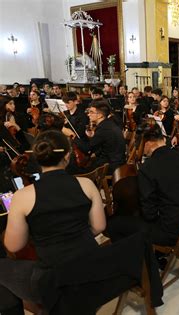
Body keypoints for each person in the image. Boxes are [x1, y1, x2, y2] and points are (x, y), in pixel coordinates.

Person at [0, 130, 106, 314]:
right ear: (67, 155)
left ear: (37, 158)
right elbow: (99, 226)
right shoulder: (86, 184)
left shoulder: (22, 197)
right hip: (91, 268)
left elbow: (14, 245)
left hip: (54, 277)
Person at [106, 122, 179, 247]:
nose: (141, 149)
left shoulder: (148, 168)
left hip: (171, 233)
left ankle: (142, 262)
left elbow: (149, 214)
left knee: (115, 224)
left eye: (141, 145)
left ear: (148, 144)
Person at [71, 100, 126, 174]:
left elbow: (87, 149)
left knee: (73, 171)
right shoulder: (108, 124)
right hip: (116, 161)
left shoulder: (104, 129)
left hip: (111, 166)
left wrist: (73, 136)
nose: (88, 115)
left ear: (100, 115)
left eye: (91, 112)